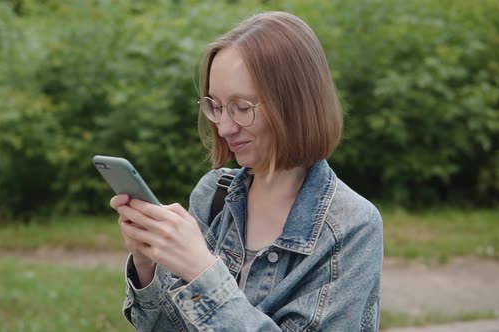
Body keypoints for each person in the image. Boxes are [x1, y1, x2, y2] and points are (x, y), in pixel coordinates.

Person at [110, 11, 383, 331]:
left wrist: (203, 273)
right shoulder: (212, 195)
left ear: (293, 104)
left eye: (242, 108)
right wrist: (148, 263)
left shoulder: (353, 227)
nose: (224, 127)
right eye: (216, 106)